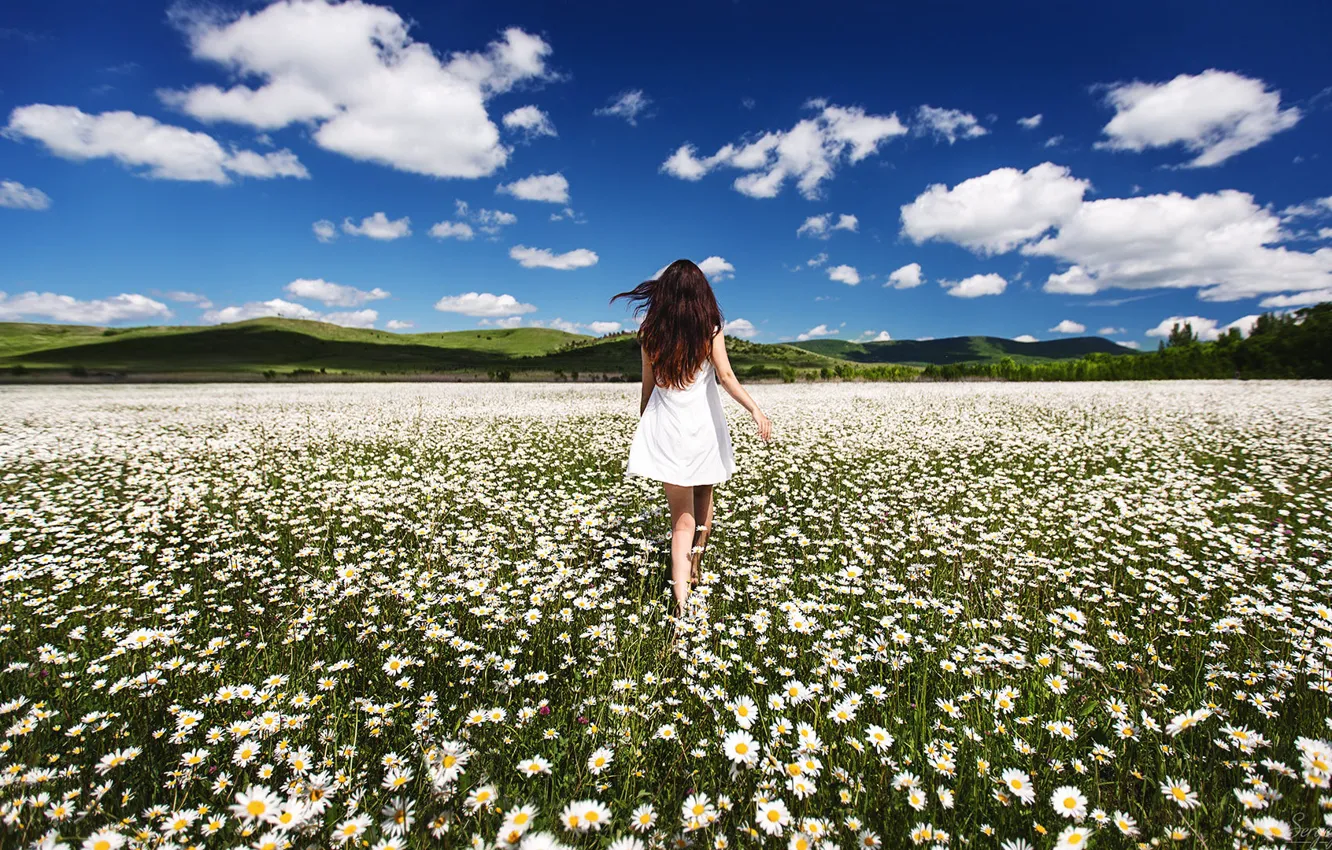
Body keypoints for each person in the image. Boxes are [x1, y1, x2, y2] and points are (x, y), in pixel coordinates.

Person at [611, 259, 772, 620]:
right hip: (703, 430)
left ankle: (682, 607)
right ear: (701, 294)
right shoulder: (709, 328)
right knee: (703, 504)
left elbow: (647, 393)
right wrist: (755, 410)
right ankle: (695, 566)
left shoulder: (651, 334)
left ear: (664, 294)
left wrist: (647, 433)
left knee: (679, 523)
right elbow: (727, 376)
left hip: (668, 432)